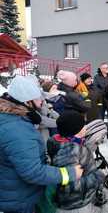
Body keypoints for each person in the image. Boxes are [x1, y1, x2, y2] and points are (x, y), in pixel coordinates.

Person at [0, 76, 82, 213]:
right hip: (20, 200)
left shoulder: (12, 119)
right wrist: (69, 173)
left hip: (15, 192)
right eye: (38, 99)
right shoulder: (18, 130)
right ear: (27, 102)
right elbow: (33, 172)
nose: (42, 102)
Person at [47, 111, 106, 211]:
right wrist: (98, 176)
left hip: (79, 201)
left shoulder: (71, 143)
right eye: (83, 125)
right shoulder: (69, 152)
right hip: (76, 205)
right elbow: (71, 186)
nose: (85, 127)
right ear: (74, 130)